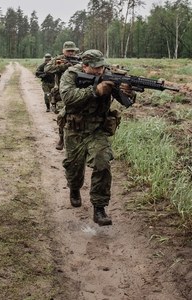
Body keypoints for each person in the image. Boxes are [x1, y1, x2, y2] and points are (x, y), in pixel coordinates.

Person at [59, 49, 135, 226]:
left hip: (97, 130)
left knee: (102, 162)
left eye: (102, 67)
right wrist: (95, 90)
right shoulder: (70, 75)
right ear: (85, 66)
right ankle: (74, 188)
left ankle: (99, 208)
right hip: (74, 130)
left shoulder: (109, 75)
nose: (100, 71)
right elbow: (68, 98)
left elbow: (127, 103)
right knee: (74, 167)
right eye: (95, 68)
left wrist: (128, 92)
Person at [44, 41, 80, 150]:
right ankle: (61, 138)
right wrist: (62, 67)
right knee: (62, 116)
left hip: (77, 92)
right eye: (68, 51)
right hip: (61, 93)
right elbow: (47, 69)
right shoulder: (58, 60)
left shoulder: (79, 60)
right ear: (63, 51)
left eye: (72, 51)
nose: (71, 53)